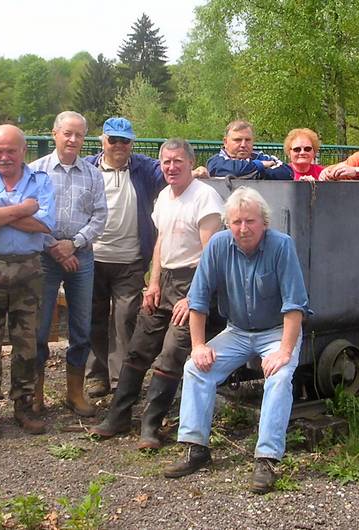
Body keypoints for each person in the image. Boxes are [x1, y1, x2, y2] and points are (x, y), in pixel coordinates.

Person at [164, 187, 310, 495]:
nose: (243, 229)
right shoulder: (218, 246)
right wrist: (199, 346)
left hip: (275, 332)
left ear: (264, 222)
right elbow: (198, 300)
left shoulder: (282, 246)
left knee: (280, 375)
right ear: (227, 224)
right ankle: (196, 448)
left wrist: (284, 351)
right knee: (195, 368)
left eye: (250, 221)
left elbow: (295, 305)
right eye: (236, 222)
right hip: (239, 330)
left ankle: (267, 458)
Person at [89, 139, 224, 450]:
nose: (171, 167)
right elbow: (161, 240)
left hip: (194, 283)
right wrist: (153, 282)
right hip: (165, 281)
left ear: (191, 163)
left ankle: (151, 426)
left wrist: (194, 299)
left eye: (178, 161)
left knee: (171, 353)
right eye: (166, 162)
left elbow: (211, 255)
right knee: (138, 348)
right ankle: (118, 416)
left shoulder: (205, 198)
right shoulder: (164, 196)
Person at [0, 124, 55, 437]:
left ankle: (24, 404)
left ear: (23, 151)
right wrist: (24, 208)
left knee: (26, 340)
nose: (4, 157)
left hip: (28, 269)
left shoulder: (40, 181)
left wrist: (0, 210)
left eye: (10, 151)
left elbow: (44, 225)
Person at [30, 111, 107, 417]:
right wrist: (55, 248)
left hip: (82, 256)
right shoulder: (36, 172)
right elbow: (31, 215)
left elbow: (100, 216)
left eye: (79, 135)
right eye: (68, 133)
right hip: (44, 256)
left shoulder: (93, 174)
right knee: (39, 327)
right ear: (55, 134)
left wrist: (73, 245)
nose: (73, 140)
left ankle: (74, 393)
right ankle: (34, 393)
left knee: (81, 326)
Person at [83, 117, 166, 397]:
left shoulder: (143, 168)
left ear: (132, 143)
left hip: (130, 260)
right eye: (113, 140)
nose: (119, 145)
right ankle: (96, 375)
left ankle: (122, 379)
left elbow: (169, 168)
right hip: (92, 258)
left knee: (125, 318)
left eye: (125, 140)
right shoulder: (88, 169)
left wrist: (198, 168)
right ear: (102, 141)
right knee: (93, 317)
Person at [207, 120, 293, 180]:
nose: (243, 145)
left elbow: (287, 172)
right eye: (238, 140)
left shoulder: (260, 157)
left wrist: (250, 172)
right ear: (225, 142)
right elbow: (234, 170)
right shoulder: (215, 162)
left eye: (247, 140)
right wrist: (259, 165)